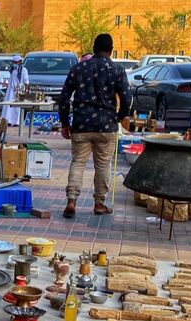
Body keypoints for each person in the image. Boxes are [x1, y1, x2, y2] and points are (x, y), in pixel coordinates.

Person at [59, 34, 130, 218]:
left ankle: (72, 200)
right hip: (106, 126)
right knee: (103, 165)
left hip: (81, 125)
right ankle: (99, 203)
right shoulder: (117, 70)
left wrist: (65, 123)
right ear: (111, 50)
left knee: (78, 162)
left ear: (94, 48)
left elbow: (64, 97)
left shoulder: (78, 68)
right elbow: (126, 98)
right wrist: (118, 117)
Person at [1, 55, 29, 125]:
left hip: (19, 90)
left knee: (17, 107)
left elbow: (26, 81)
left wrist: (26, 90)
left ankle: (16, 122)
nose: (14, 64)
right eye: (13, 62)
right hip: (11, 91)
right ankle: (8, 121)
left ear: (20, 62)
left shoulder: (24, 70)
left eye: (16, 62)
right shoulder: (12, 70)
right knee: (9, 106)